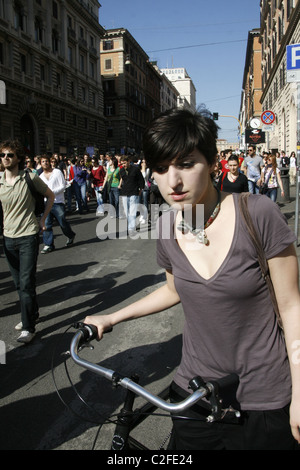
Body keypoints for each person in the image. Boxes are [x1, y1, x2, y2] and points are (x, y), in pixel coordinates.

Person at [84, 108, 300, 450]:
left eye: (186, 163)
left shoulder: (258, 213)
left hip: (263, 398)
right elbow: (172, 290)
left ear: (212, 162)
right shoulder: (168, 227)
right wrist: (112, 316)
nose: (173, 182)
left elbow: (292, 308)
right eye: (161, 168)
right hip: (193, 396)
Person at [0, 139, 54, 343]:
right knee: (18, 284)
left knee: (25, 282)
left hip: (28, 236)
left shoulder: (30, 177)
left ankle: (28, 327)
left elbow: (50, 196)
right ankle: (32, 313)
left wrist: (42, 219)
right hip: (8, 238)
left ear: (18, 158)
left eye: (9, 155)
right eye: (2, 155)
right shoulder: (0, 180)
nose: (5, 158)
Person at [39, 155, 76, 253]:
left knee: (62, 222)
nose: (45, 163)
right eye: (43, 161)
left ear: (50, 162)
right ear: (40, 164)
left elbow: (63, 186)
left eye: (47, 161)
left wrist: (50, 193)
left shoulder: (57, 172)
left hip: (57, 202)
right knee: (47, 224)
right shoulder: (41, 177)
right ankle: (48, 245)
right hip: (46, 203)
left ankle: (70, 235)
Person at [119, 156, 145, 233]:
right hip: (125, 192)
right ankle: (131, 225)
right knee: (126, 212)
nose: (123, 165)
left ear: (128, 161)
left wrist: (141, 189)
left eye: (124, 163)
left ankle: (131, 228)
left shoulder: (135, 169)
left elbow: (141, 180)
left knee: (132, 211)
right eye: (122, 163)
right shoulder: (121, 171)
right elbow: (123, 180)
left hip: (134, 192)